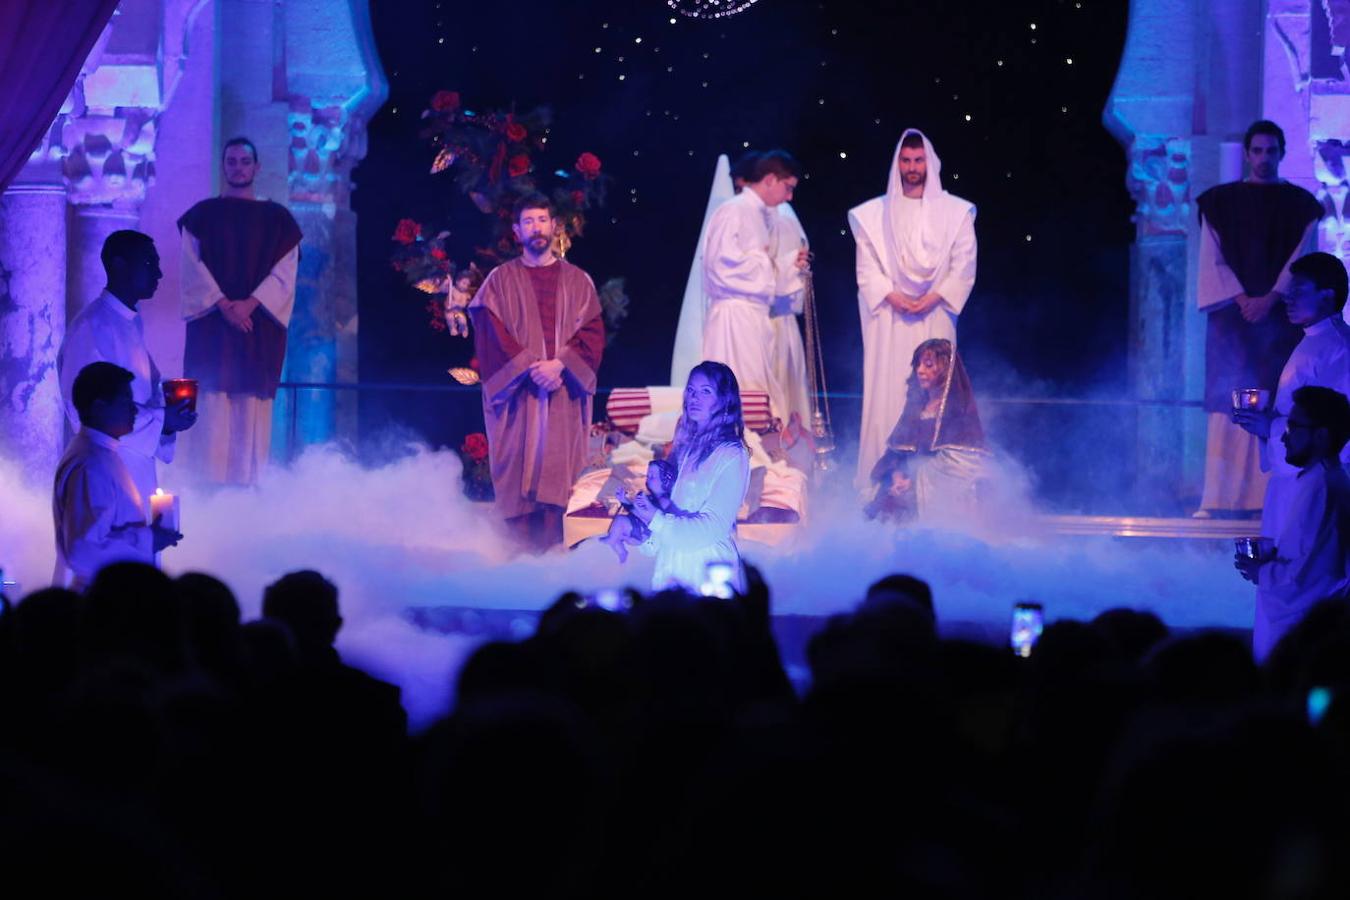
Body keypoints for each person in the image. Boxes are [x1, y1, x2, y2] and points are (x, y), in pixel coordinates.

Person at [1195, 120, 1323, 517]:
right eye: (1257, 151)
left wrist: (1270, 298)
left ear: (1282, 153)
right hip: (1232, 318)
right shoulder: (1219, 202)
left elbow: (1301, 257)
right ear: (1248, 154)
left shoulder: (1301, 204)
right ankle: (1220, 496)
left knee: (1277, 398)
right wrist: (1241, 297)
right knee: (1227, 398)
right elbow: (1210, 258)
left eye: (1271, 151)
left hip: (1279, 319)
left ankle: (1265, 497)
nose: (1264, 158)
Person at [468, 193, 605, 552]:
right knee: (519, 471)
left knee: (561, 470)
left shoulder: (579, 281)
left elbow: (591, 332)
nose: (536, 228)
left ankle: (562, 562)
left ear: (554, 226)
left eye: (542, 220)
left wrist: (560, 364)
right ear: (517, 231)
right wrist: (531, 367)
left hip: (563, 390)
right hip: (519, 395)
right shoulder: (499, 281)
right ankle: (519, 563)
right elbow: (489, 330)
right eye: (528, 221)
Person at [850, 128, 977, 490]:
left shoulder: (955, 213)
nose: (912, 167)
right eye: (906, 160)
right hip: (891, 320)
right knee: (889, 394)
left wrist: (932, 298)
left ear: (930, 163)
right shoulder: (872, 215)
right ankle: (882, 488)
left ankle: (932, 488)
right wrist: (896, 298)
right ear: (897, 163)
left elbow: (963, 265)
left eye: (918, 160)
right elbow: (867, 269)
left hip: (934, 316)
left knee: (935, 396)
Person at [178, 136, 303, 485]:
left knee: (251, 409)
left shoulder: (279, 220)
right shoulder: (202, 215)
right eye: (231, 161)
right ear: (224, 166)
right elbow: (191, 267)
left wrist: (248, 305)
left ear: (257, 167)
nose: (238, 167)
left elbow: (285, 273)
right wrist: (223, 305)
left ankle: (247, 493)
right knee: (212, 404)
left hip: (256, 328)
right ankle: (207, 490)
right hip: (213, 329)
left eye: (244, 161)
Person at [57, 230, 197, 513]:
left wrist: (170, 414)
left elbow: (149, 389)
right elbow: (87, 407)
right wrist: (160, 419)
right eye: (149, 263)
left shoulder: (131, 323)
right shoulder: (92, 327)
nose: (159, 274)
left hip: (134, 463)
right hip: (105, 465)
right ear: (119, 264)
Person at [1234, 252, 1350, 552]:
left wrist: (1270, 427)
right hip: (1295, 480)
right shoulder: (1313, 339)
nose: (1288, 297)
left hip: (1317, 480)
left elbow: (1337, 422)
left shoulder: (1339, 347)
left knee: (1306, 568)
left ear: (1328, 295)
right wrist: (1265, 423)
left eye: (1299, 290)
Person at [1235, 386, 1350, 660]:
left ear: (1321, 435)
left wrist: (1260, 572)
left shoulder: (1321, 487)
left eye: (1293, 426)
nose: (1284, 437)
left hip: (1305, 635)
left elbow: (1313, 576)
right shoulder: (1321, 480)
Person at [702, 150, 810, 423]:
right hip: (735, 317)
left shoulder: (758, 215)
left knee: (757, 392)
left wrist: (787, 266)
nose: (789, 197)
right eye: (788, 188)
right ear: (771, 179)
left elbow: (761, 269)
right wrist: (768, 263)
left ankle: (756, 457)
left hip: (754, 316)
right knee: (739, 389)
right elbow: (719, 265)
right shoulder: (733, 211)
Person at [52, 362, 181, 589]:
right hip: (102, 599)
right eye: (126, 402)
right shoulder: (91, 464)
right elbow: (83, 550)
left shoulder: (102, 453)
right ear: (100, 406)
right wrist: (149, 539)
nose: (134, 410)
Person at [627, 361, 751, 593]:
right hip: (671, 569)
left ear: (724, 400)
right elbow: (671, 510)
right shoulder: (686, 446)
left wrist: (655, 519)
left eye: (706, 391)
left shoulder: (732, 454)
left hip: (709, 573)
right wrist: (642, 533)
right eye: (691, 390)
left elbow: (712, 527)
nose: (695, 398)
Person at [864, 338, 988, 524]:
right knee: (878, 503)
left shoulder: (957, 411)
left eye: (928, 365)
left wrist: (913, 481)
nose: (920, 370)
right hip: (906, 483)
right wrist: (897, 476)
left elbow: (958, 466)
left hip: (936, 488)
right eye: (918, 365)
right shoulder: (917, 407)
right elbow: (897, 452)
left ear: (946, 370)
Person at [600, 458, 676, 562]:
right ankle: (621, 551)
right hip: (634, 527)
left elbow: (654, 516)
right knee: (616, 528)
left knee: (620, 520)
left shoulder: (664, 500)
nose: (648, 478)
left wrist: (642, 504)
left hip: (642, 533)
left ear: (665, 480)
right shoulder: (648, 496)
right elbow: (635, 511)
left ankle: (613, 541)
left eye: (653, 476)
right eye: (648, 476)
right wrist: (625, 501)